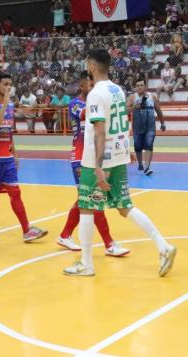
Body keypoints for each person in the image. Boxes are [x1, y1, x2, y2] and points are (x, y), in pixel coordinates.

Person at [63, 49, 177, 277]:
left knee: (86, 207)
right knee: (125, 206)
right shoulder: (118, 90)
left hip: (97, 159)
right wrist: (126, 151)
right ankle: (162, 246)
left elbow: (99, 131)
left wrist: (97, 166)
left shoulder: (95, 94)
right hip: (117, 156)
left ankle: (86, 263)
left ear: (92, 67)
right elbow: (122, 121)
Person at [57, 72, 129, 257]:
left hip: (92, 157)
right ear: (81, 86)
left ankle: (65, 235)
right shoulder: (75, 104)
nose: (93, 87)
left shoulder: (97, 100)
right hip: (80, 158)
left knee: (85, 199)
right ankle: (109, 244)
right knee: (94, 198)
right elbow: (88, 114)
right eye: (89, 85)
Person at [0, 74, 47, 244]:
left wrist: (14, 154)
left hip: (6, 158)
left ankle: (27, 230)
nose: (9, 87)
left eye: (10, 84)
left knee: (15, 193)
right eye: (5, 84)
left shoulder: (10, 106)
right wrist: (5, 105)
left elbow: (8, 132)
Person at [127, 79, 166, 176]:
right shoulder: (132, 97)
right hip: (137, 126)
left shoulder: (152, 96)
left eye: (141, 85)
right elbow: (125, 110)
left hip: (150, 126)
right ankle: (140, 164)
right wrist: (134, 107)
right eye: (137, 85)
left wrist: (162, 123)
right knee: (137, 145)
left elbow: (158, 110)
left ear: (145, 86)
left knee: (149, 144)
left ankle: (147, 167)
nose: (139, 87)